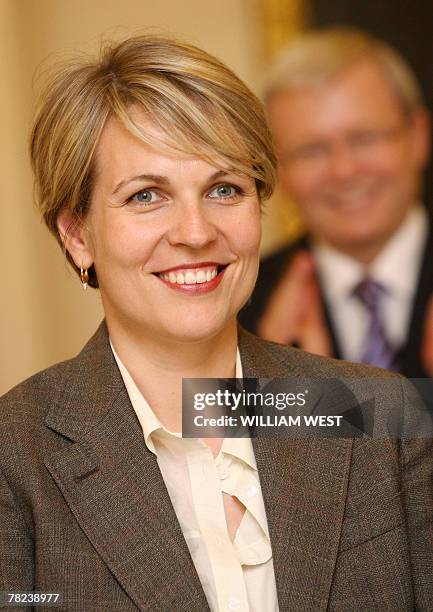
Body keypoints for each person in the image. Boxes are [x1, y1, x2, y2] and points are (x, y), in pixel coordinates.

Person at [0, 35, 432, 612]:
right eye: (146, 195)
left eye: (224, 189)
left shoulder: (378, 412)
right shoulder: (14, 456)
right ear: (77, 235)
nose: (196, 232)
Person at [238, 28, 432, 377]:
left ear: (418, 136)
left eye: (364, 139)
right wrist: (269, 386)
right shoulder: (236, 300)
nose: (344, 171)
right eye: (311, 150)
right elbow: (193, 424)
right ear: (277, 169)